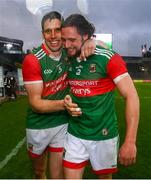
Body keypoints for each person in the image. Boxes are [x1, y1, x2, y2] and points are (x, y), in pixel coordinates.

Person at [22, 11, 101, 179]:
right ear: (42, 34)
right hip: (38, 126)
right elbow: (35, 103)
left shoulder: (69, 51)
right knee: (39, 172)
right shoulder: (33, 60)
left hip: (62, 123)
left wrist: (91, 41)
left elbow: (105, 48)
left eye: (57, 30)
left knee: (57, 176)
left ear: (63, 30)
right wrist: (65, 105)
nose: (53, 36)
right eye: (47, 31)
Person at [61, 14, 140, 179]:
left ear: (85, 36)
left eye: (71, 39)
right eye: (64, 39)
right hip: (76, 133)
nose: (67, 44)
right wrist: (68, 99)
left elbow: (131, 96)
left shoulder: (109, 58)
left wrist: (130, 142)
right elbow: (71, 87)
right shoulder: (67, 56)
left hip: (104, 134)